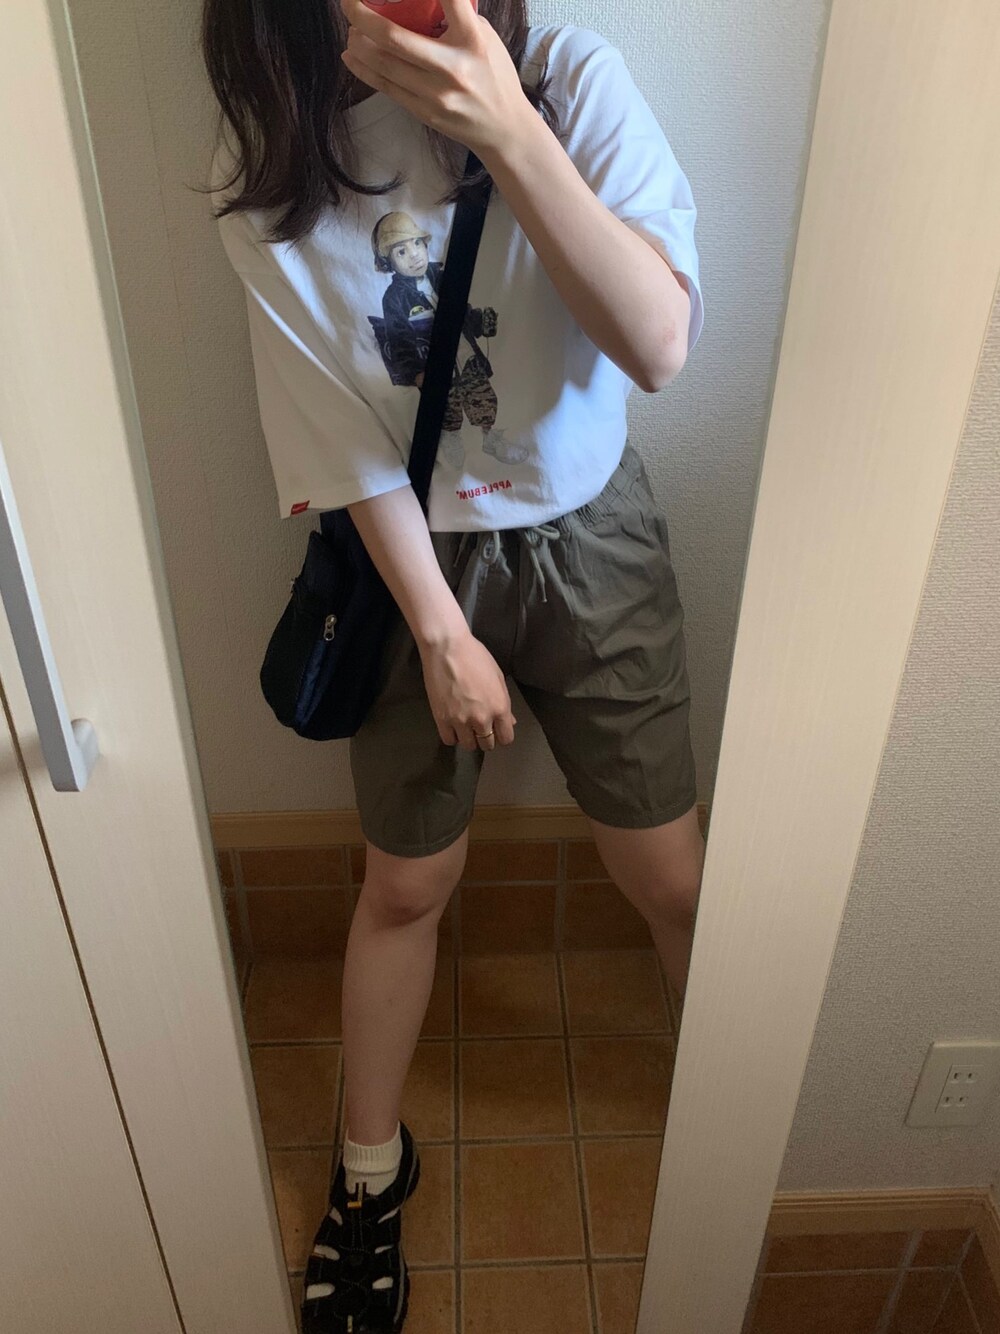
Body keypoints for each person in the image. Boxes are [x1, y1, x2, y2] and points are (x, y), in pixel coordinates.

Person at [202, 1, 706, 1329]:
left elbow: (659, 346)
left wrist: (508, 132)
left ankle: (738, 1110)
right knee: (407, 882)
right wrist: (437, 633)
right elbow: (331, 427)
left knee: (673, 876)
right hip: (407, 559)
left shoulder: (567, 77)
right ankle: (368, 1172)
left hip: (593, 529)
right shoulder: (274, 147)